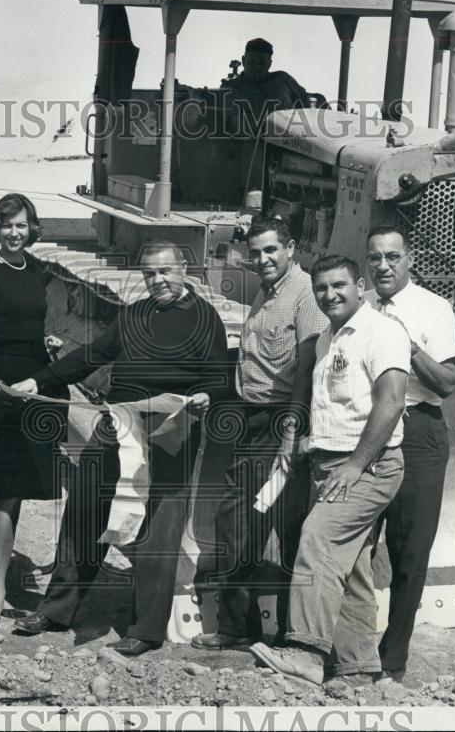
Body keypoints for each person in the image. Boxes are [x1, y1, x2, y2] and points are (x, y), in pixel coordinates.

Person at [10, 240, 231, 656]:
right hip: (117, 425)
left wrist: (204, 396)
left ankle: (146, 630)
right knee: (83, 512)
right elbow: (92, 355)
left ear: (184, 268)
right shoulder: (134, 314)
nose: (157, 281)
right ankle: (57, 609)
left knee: (156, 532)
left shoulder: (206, 319)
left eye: (164, 271)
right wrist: (39, 380)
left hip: (169, 432)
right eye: (149, 274)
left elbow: (219, 377)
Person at [249, 254, 409, 685]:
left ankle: (304, 651)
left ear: (360, 286)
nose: (329, 295)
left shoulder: (383, 332)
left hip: (368, 468)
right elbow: (340, 409)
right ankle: (358, 668)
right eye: (321, 288)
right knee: (351, 565)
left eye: (339, 285)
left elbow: (391, 402)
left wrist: (356, 465)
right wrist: (302, 443)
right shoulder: (327, 339)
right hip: (328, 463)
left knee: (317, 541)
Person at [191, 216, 328, 651]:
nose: (262, 259)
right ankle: (240, 625)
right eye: (255, 252)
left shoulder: (303, 294)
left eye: (271, 250)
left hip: (280, 420)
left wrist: (293, 423)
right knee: (241, 523)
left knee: (279, 526)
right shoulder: (269, 291)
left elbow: (307, 365)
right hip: (252, 418)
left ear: (291, 249)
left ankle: (287, 632)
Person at [0, 193, 69, 635]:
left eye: (22, 225)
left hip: (36, 384)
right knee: (8, 492)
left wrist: (50, 346)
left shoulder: (42, 273)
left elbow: (43, 326)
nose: (14, 233)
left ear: (32, 229)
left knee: (23, 490)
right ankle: (0, 592)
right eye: (6, 225)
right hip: (0, 387)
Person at [364, 225, 455, 683]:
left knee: (409, 552)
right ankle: (352, 647)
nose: (383, 266)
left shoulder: (433, 308)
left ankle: (393, 660)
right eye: (375, 258)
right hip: (365, 429)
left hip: (419, 429)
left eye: (392, 257)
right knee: (355, 545)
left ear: (410, 258)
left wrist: (409, 342)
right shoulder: (359, 303)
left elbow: (445, 382)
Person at [218, 38, 314, 131]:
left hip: (292, 142)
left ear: (269, 64)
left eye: (261, 63)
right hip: (252, 144)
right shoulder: (230, 88)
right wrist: (267, 127)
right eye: (252, 62)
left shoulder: (283, 80)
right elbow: (234, 123)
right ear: (243, 60)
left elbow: (309, 100)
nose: (256, 67)